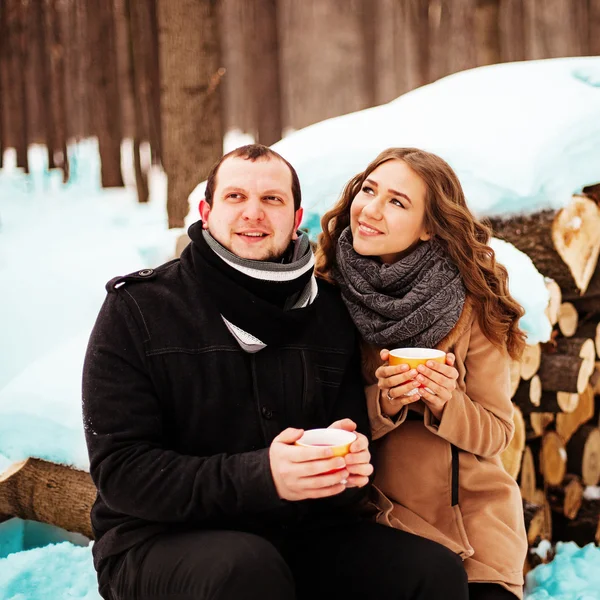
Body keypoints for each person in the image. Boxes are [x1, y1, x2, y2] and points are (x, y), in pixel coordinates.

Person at [82, 144, 469, 600]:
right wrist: (262, 475)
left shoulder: (327, 311)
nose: (253, 213)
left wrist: (343, 471)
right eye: (235, 197)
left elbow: (347, 457)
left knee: (431, 572)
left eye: (271, 199)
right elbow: (123, 472)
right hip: (159, 539)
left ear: (296, 216)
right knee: (245, 569)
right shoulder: (139, 308)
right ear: (206, 211)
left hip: (299, 531)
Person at [316, 147, 529, 600]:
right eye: (368, 190)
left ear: (430, 226)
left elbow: (496, 432)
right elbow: (316, 418)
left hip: (474, 525)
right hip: (378, 517)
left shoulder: (473, 300)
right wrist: (385, 401)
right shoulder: (327, 291)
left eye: (397, 202)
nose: (371, 210)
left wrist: (445, 401)